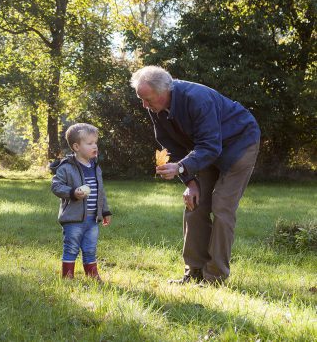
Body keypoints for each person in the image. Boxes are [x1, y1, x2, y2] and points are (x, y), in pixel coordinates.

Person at [131, 66, 260, 285]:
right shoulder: (155, 107)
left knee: (221, 207)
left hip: (239, 144)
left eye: (148, 99)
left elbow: (211, 147)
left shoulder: (198, 99)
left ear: (164, 92)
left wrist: (180, 167)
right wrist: (190, 182)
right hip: (204, 150)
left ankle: (215, 277)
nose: (144, 105)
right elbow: (171, 144)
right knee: (195, 203)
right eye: (141, 99)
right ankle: (194, 271)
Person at [50, 123, 112, 280]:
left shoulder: (95, 167)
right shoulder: (66, 168)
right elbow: (56, 186)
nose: (95, 146)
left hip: (92, 219)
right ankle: (67, 276)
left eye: (95, 142)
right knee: (71, 247)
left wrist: (105, 211)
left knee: (90, 248)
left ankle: (92, 276)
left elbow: (100, 191)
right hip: (74, 218)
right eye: (90, 143)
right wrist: (72, 193)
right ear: (76, 147)